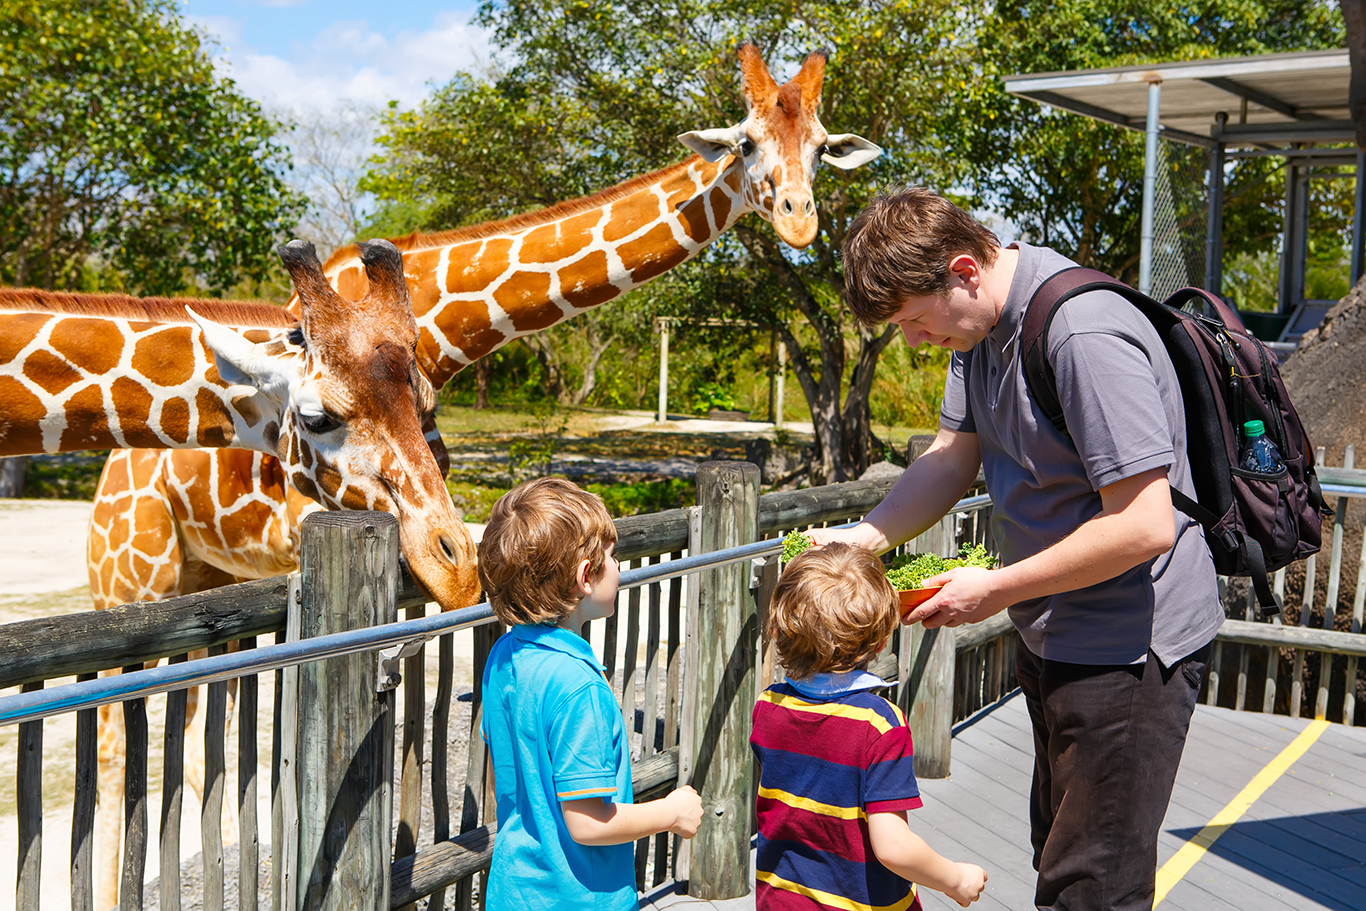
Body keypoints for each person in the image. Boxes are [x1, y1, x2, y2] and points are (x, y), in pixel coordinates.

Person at [812, 187, 1223, 911]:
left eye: (913, 320)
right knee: (1057, 851)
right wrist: (863, 538)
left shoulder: (1080, 332)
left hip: (1129, 646)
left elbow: (1144, 524)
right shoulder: (974, 332)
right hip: (1055, 631)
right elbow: (949, 457)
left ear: (964, 270)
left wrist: (997, 588)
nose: (912, 341)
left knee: (1094, 883)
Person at [478, 476, 704, 911]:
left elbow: (504, 778)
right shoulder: (577, 686)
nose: (618, 566)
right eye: (612, 557)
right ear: (586, 576)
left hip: (515, 892)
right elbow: (587, 822)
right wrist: (672, 812)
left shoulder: (504, 656)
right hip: (579, 898)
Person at [751, 542, 988, 910]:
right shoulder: (879, 724)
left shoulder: (768, 705)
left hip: (782, 898)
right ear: (880, 641)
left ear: (780, 631)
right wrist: (956, 879)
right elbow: (894, 847)